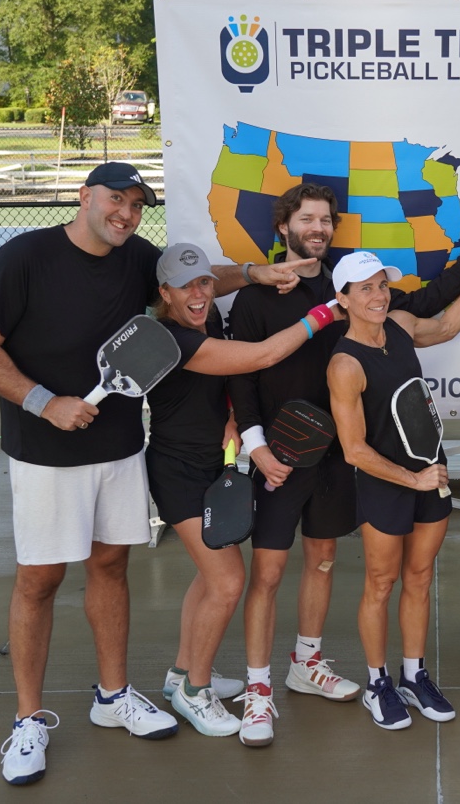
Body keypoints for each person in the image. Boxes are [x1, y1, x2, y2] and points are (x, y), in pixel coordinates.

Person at [0, 162, 310, 785]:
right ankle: (27, 720)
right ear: (85, 196)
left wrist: (255, 273)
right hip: (43, 454)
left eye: (136, 204)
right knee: (38, 582)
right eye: (115, 199)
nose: (125, 212)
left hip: (119, 450)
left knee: (111, 568)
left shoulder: (136, 256)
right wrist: (45, 402)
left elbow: (195, 279)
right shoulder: (26, 256)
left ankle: (114, 696)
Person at [227, 182, 460, 745]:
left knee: (325, 562)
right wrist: (255, 447)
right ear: (284, 227)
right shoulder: (260, 297)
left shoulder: (369, 303)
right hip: (281, 456)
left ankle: (309, 664)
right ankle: (259, 692)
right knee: (271, 573)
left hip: (336, 460)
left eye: (326, 220)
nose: (318, 228)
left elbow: (429, 313)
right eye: (307, 219)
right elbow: (243, 377)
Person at [144, 243, 339, 744]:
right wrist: (324, 312)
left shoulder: (204, 321)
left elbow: (221, 386)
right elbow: (263, 355)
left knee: (209, 579)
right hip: (178, 474)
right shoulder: (171, 339)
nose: (199, 293)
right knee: (228, 582)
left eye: (205, 283)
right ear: (163, 293)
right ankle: (196, 691)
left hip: (212, 466)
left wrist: (231, 416)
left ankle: (180, 674)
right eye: (185, 286)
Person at [327, 250, 460, 731]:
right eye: (365, 288)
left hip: (430, 476)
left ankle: (413, 675)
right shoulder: (345, 364)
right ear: (342, 299)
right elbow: (354, 450)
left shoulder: (400, 324)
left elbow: (444, 328)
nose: (378, 295)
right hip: (389, 484)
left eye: (381, 284)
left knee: (419, 578)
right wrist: (412, 479)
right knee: (382, 583)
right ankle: (378, 684)